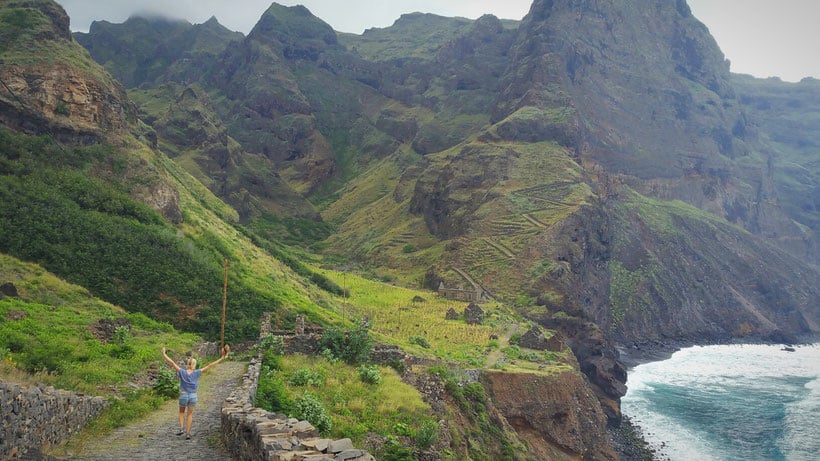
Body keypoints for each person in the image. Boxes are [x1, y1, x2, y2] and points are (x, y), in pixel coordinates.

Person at [161, 344, 230, 439]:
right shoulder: (197, 372)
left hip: (184, 395)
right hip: (193, 396)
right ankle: (188, 434)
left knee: (181, 412)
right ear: (194, 365)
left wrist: (164, 354)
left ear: (187, 364)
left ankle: (181, 428)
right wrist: (222, 358)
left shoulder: (182, 371)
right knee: (190, 414)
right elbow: (210, 365)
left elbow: (172, 363)